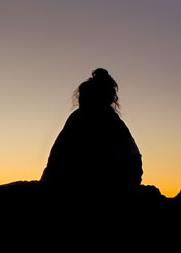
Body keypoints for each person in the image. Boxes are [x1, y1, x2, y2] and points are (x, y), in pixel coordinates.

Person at [41, 68, 142, 199]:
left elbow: (57, 160)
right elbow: (57, 157)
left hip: (105, 186)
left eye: (84, 98)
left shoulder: (86, 120)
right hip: (115, 184)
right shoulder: (113, 122)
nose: (81, 101)